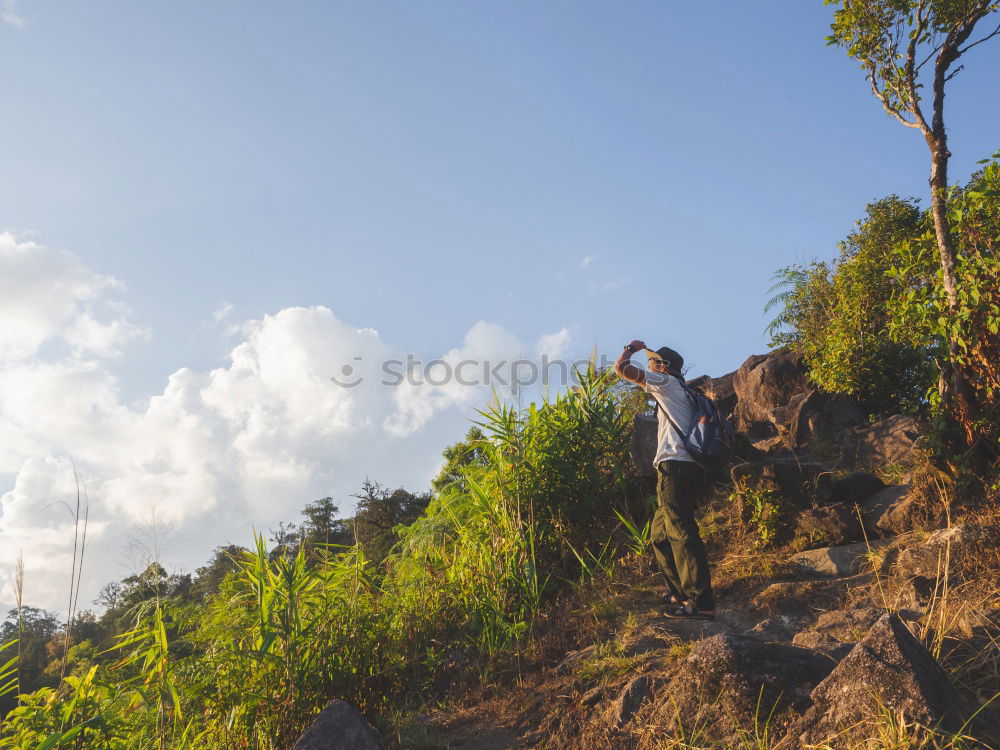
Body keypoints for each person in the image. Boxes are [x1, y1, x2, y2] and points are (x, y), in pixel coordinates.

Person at [614, 339, 715, 620]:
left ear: (663, 367)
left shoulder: (667, 384)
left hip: (677, 468)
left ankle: (700, 601)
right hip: (679, 469)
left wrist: (630, 349)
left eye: (651, 362)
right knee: (660, 536)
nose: (648, 367)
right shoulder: (677, 391)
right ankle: (680, 593)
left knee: (682, 534)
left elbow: (621, 369)